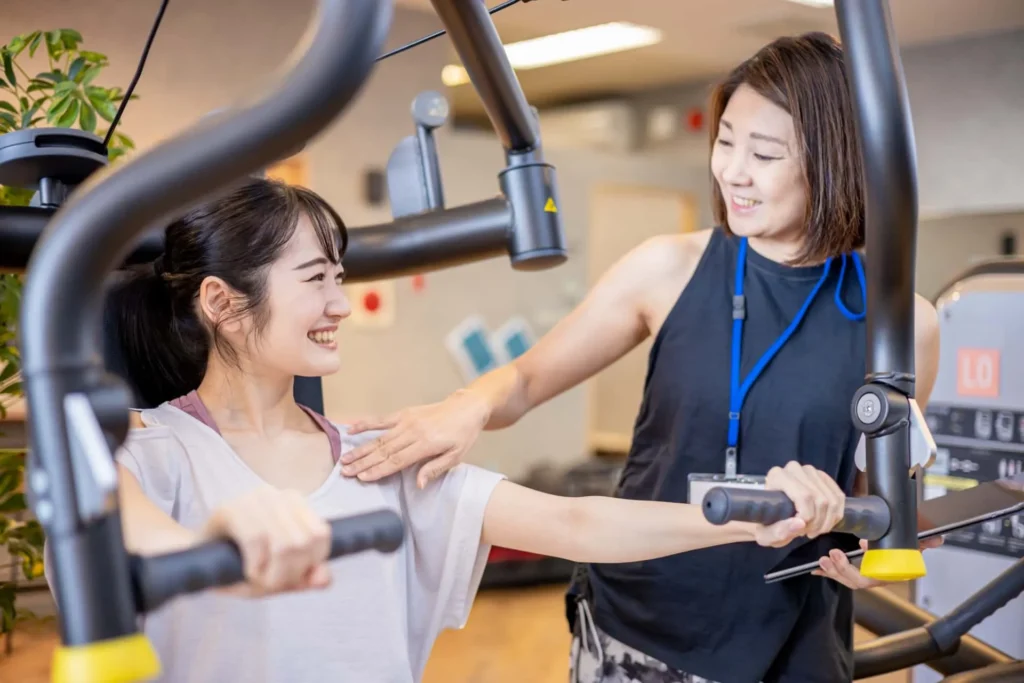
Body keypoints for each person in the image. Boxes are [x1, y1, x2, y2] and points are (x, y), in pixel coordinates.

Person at [53, 176, 848, 683]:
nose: (339, 304)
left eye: (341, 277)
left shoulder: (381, 460)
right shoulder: (144, 445)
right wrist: (215, 543)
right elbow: (121, 534)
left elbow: (575, 519)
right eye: (314, 280)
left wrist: (751, 515)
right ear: (223, 303)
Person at [340, 32, 943, 683]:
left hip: (791, 640)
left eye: (763, 153)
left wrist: (861, 544)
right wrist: (465, 407)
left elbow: (882, 502)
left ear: (835, 164)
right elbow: (525, 378)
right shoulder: (668, 268)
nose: (732, 170)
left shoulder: (903, 323)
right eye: (726, 140)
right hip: (638, 625)